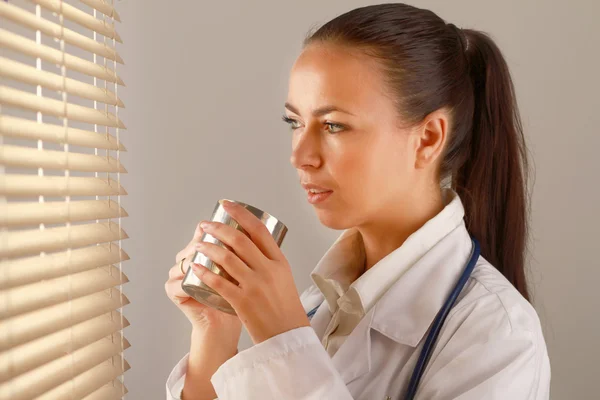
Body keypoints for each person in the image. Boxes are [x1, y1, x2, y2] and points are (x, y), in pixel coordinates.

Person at [164, 3, 551, 399]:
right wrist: (215, 334)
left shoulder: (498, 336)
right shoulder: (325, 304)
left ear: (429, 138)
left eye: (334, 125)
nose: (300, 156)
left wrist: (283, 337)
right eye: (295, 123)